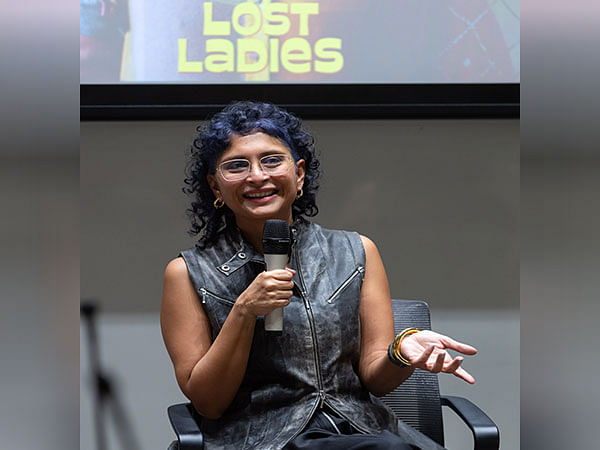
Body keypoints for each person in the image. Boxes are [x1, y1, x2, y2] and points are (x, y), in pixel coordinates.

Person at [160, 101, 478, 449]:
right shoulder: (187, 273)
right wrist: (244, 311)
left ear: (298, 174)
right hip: (265, 440)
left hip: (360, 430)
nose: (257, 175)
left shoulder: (357, 250)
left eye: (271, 160)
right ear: (216, 187)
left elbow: (376, 378)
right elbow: (209, 402)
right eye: (237, 166)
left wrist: (401, 351)